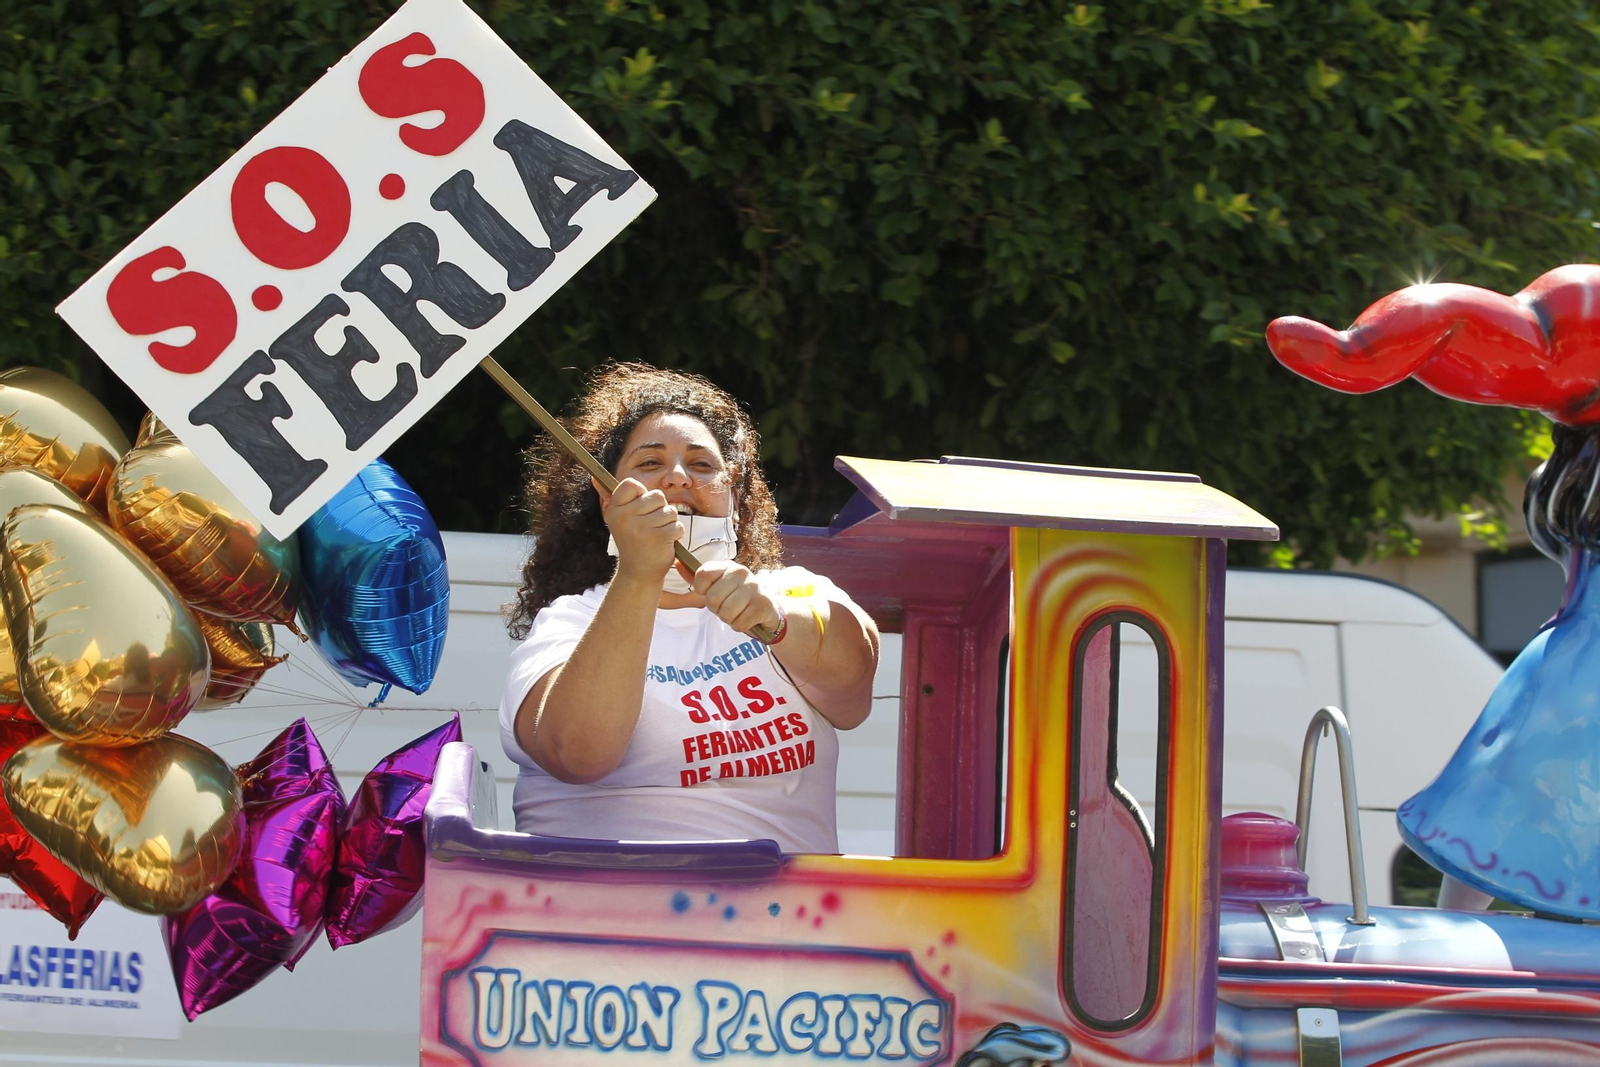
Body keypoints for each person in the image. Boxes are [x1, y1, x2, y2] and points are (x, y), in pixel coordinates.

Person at [498, 363, 880, 852]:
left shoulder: (790, 589)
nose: (677, 477)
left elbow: (853, 689)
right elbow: (578, 754)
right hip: (603, 918)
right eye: (649, 464)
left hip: (784, 920)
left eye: (702, 465)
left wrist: (778, 622)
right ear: (606, 498)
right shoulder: (569, 620)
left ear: (735, 493)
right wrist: (639, 574)